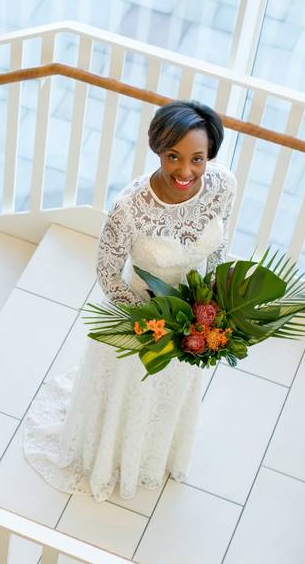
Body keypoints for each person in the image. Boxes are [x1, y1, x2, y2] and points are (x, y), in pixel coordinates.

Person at [23, 100, 236, 501]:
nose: (185, 171)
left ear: (210, 156)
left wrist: (208, 305)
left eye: (198, 158)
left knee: (168, 391)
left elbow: (220, 244)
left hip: (194, 317)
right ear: (158, 149)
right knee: (130, 391)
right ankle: (111, 454)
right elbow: (107, 275)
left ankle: (157, 452)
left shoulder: (223, 186)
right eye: (173, 157)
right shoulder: (129, 208)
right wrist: (156, 324)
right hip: (140, 316)